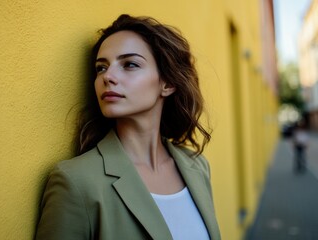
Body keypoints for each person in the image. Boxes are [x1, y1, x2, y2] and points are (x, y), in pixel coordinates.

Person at [35, 14, 221, 240]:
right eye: (101, 68)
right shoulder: (76, 182)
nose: (108, 77)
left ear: (168, 83)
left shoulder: (197, 167)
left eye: (130, 64)